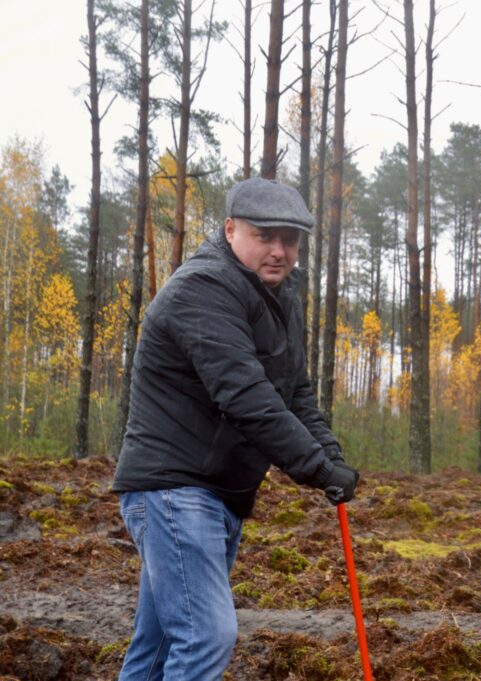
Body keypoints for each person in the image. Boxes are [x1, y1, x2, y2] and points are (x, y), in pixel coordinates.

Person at [112, 177, 360, 680]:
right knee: (206, 635)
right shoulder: (203, 289)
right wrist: (313, 468)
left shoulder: (278, 295)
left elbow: (295, 391)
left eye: (289, 239)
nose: (279, 250)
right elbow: (246, 397)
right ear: (229, 230)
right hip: (174, 489)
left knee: (159, 642)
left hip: (217, 492)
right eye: (264, 235)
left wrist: (331, 457)